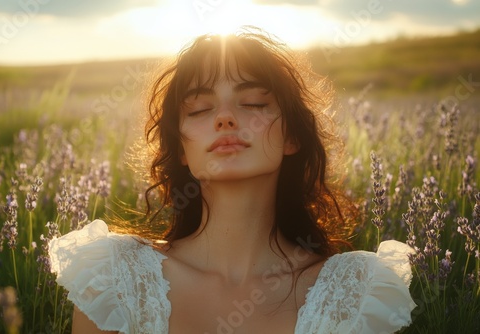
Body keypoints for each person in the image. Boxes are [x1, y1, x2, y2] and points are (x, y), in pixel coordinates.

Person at [49, 26, 416, 333]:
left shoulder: (355, 289)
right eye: (200, 109)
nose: (224, 118)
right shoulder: (116, 277)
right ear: (181, 149)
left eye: (254, 103)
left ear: (292, 137)